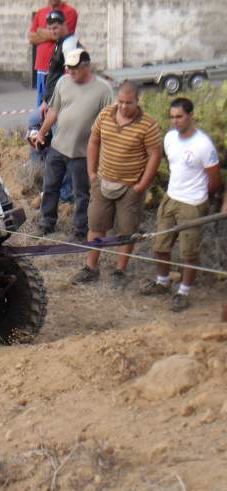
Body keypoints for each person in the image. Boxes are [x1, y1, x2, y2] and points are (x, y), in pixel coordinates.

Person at [72, 80, 163, 289]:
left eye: (128, 103)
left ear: (138, 101)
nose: (123, 106)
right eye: (120, 101)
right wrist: (91, 173)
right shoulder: (105, 115)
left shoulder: (148, 125)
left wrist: (142, 185)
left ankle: (120, 271)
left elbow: (155, 156)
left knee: (126, 231)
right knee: (96, 226)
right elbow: (94, 142)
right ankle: (91, 267)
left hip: (130, 186)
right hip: (103, 181)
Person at [139, 98, 223, 311]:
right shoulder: (169, 138)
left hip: (192, 203)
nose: (175, 121)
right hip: (171, 198)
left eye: (179, 116)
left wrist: (200, 196)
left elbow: (214, 180)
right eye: (172, 117)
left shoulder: (203, 145)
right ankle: (163, 281)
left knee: (189, 252)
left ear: (190, 116)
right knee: (160, 245)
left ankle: (183, 292)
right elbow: (172, 165)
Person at [35, 49, 113, 241]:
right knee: (50, 186)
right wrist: (41, 133)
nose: (70, 72)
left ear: (86, 66)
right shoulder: (63, 82)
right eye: (68, 68)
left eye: (74, 68)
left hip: (82, 153)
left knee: (81, 193)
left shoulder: (103, 90)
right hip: (58, 147)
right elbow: (53, 112)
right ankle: (46, 221)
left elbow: (109, 123)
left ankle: (80, 229)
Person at [28, 0, 78, 108]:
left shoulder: (70, 12)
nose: (51, 30)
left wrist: (40, 31)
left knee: (56, 105)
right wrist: (51, 34)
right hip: (41, 67)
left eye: (54, 27)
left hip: (59, 67)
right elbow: (31, 38)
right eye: (49, 28)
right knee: (41, 106)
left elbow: (63, 34)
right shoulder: (40, 12)